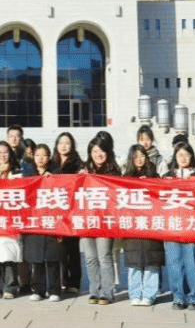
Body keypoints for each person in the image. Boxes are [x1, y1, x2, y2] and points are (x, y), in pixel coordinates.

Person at [20, 143, 63, 302]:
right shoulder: (28, 175)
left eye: (44, 155)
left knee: (52, 258)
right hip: (34, 220)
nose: (40, 159)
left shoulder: (56, 173)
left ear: (49, 157)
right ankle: (37, 289)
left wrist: (53, 181)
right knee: (36, 258)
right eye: (37, 155)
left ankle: (54, 290)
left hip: (51, 220)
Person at [163, 141, 195, 310]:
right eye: (180, 155)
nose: (183, 158)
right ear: (175, 157)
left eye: (187, 154)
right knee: (174, 262)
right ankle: (178, 296)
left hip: (192, 225)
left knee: (192, 261)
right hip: (171, 225)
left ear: (192, 156)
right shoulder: (167, 176)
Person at [122, 144, 163, 306]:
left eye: (142, 156)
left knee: (151, 261)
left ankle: (149, 294)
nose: (139, 159)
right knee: (134, 262)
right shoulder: (125, 178)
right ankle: (135, 293)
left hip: (151, 225)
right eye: (136, 156)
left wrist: (151, 183)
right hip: (133, 225)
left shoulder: (154, 175)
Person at [81, 134, 120, 305]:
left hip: (105, 221)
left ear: (107, 152)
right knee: (90, 258)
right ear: (90, 153)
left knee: (104, 256)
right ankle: (94, 291)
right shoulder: (83, 171)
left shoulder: (113, 172)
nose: (98, 154)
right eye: (95, 151)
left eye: (102, 151)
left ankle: (107, 292)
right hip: (86, 220)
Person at [0, 141, 23, 299]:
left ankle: (11, 287)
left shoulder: (17, 173)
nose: (2, 155)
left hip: (10, 218)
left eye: (5, 152)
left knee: (9, 254)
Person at [49, 131, 83, 293]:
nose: (64, 146)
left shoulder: (77, 164)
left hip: (72, 211)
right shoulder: (51, 164)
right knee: (58, 248)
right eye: (61, 143)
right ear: (56, 145)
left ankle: (74, 282)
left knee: (73, 248)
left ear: (72, 146)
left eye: (67, 143)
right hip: (55, 210)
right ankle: (63, 280)